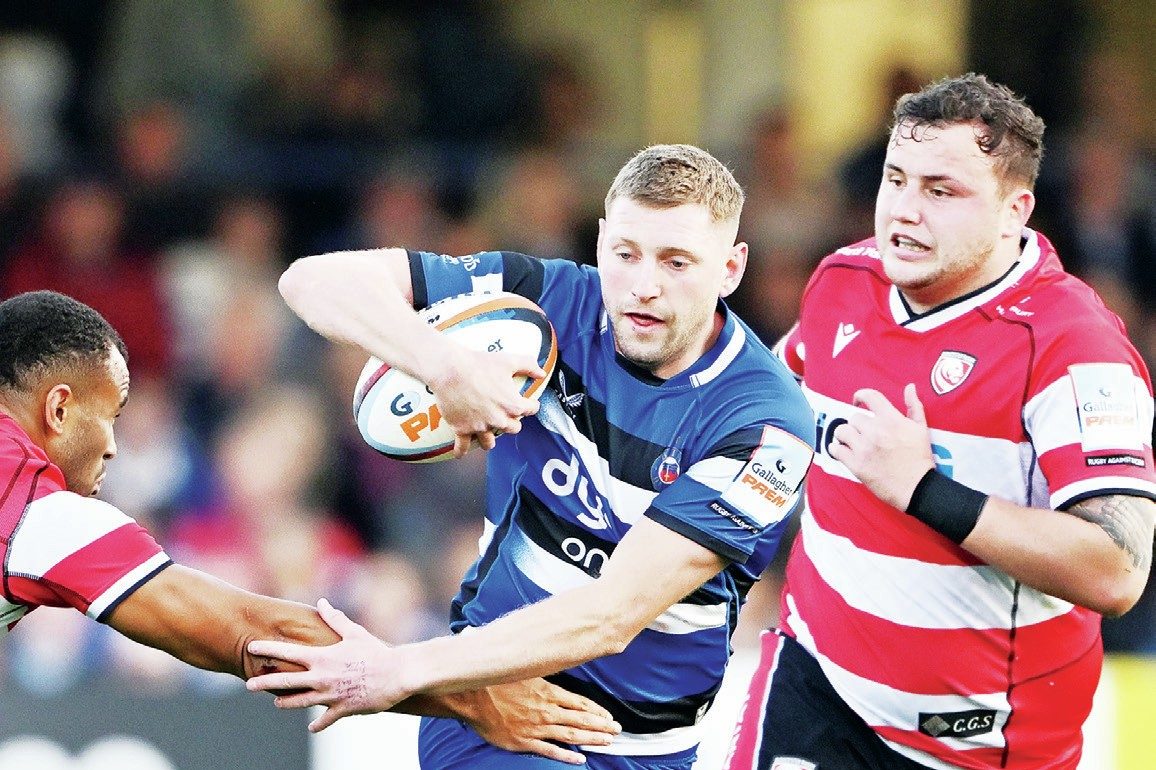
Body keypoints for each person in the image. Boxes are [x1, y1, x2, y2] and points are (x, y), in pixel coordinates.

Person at [246, 143, 815, 770]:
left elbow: (611, 615)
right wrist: (445, 368)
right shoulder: (546, 302)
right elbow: (310, 282)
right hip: (493, 718)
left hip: (650, 749)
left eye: (677, 261)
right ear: (600, 243)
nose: (644, 286)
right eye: (625, 254)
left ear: (730, 270)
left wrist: (398, 669)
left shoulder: (767, 424)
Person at [722, 73, 1156, 770]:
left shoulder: (1074, 346)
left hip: (981, 745)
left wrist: (926, 490)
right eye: (896, 180)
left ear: (1015, 211)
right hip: (816, 689)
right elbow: (760, 401)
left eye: (941, 191)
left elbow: (1116, 570)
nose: (903, 211)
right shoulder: (843, 279)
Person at [0, 289, 618, 765]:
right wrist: (475, 697)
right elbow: (250, 633)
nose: (112, 447)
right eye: (110, 416)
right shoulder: (35, 509)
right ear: (58, 407)